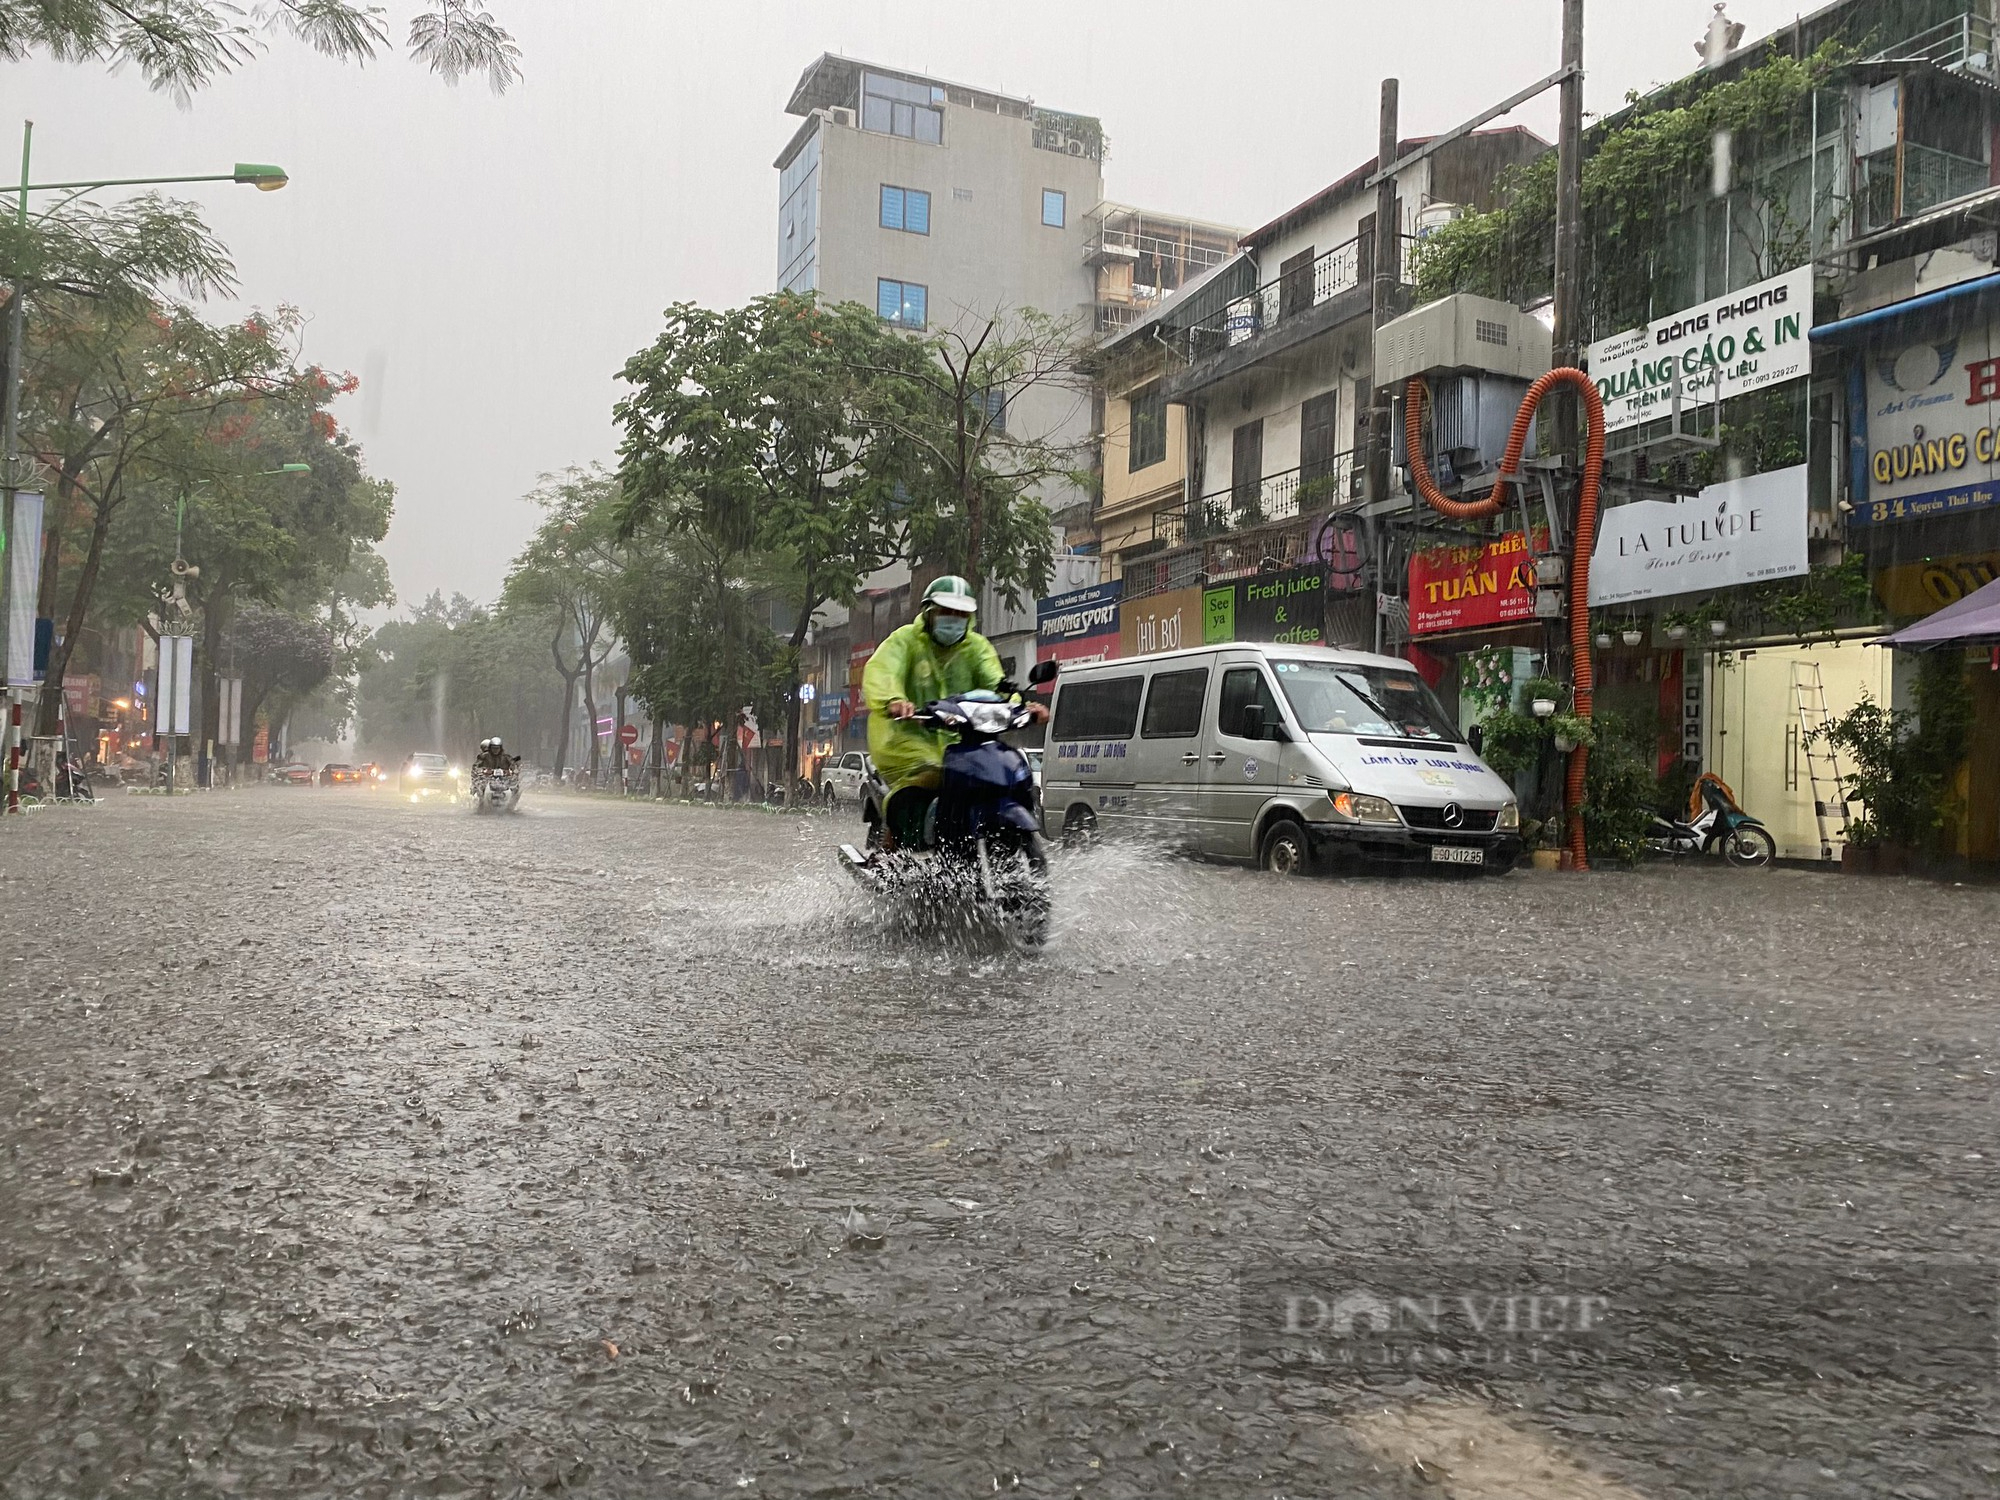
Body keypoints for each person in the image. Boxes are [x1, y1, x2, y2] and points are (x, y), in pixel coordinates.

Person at [861, 575, 1044, 851]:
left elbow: (997, 683)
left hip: (963, 741)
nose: (954, 618)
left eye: (961, 613)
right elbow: (884, 671)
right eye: (946, 611)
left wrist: (1021, 705)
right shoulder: (905, 641)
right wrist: (894, 700)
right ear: (929, 612)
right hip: (905, 736)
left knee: (1003, 773)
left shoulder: (977, 647)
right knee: (925, 781)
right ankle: (892, 853)